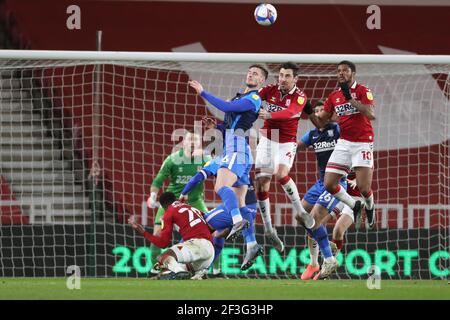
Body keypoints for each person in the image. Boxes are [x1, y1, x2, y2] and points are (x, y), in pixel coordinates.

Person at [188, 64, 268, 240]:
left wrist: (203, 92)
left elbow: (225, 107)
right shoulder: (239, 98)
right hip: (234, 146)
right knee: (240, 201)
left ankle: (238, 221)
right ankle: (251, 245)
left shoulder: (254, 98)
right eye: (249, 72)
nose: (251, 75)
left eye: (255, 74)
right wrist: (216, 126)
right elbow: (230, 126)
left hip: (238, 147)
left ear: (262, 80)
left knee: (221, 187)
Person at [256, 62, 318, 251]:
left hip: (286, 141)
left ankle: (300, 212)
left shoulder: (300, 97)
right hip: (268, 138)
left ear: (295, 79)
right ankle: (268, 228)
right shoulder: (270, 89)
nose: (282, 79)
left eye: (287, 76)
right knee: (261, 182)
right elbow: (253, 98)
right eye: (281, 75)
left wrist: (269, 115)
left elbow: (290, 112)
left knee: (281, 174)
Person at [317, 60, 376, 229]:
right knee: (329, 184)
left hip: (363, 142)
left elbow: (371, 114)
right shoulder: (334, 96)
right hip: (344, 142)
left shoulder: (363, 90)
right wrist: (310, 113)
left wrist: (351, 99)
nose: (341, 73)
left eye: (345, 70)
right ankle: (354, 204)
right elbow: (323, 119)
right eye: (338, 71)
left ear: (353, 74)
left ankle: (370, 207)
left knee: (364, 189)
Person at [147, 132, 211, 274]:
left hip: (195, 201)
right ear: (184, 142)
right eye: (190, 139)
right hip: (171, 203)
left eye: (196, 140)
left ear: (200, 143)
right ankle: (155, 270)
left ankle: (211, 269)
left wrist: (207, 153)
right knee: (157, 235)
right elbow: (158, 180)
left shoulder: (205, 159)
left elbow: (218, 166)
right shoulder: (173, 159)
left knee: (214, 232)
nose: (193, 142)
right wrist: (152, 196)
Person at [295, 100, 345, 279]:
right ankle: (322, 249)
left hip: (337, 182)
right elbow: (296, 148)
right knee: (301, 216)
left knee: (315, 220)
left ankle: (329, 258)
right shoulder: (312, 135)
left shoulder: (337, 130)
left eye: (321, 111)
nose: (317, 114)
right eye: (315, 112)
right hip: (320, 183)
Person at [128, 192, 215, 280]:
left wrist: (143, 232)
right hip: (210, 251)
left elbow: (163, 243)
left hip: (196, 245)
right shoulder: (192, 208)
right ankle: (197, 273)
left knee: (163, 257)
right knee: (170, 267)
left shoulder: (169, 212)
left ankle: (179, 272)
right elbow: (211, 226)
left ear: (163, 206)